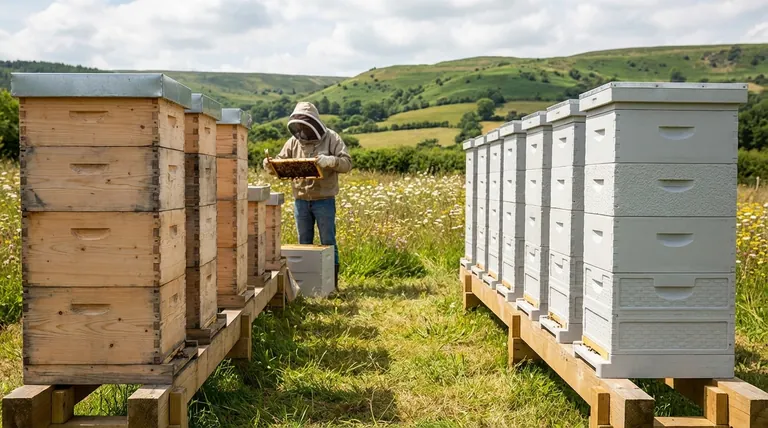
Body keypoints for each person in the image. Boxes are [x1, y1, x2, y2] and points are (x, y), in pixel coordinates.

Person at [263, 102, 352, 291]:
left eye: (306, 126)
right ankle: (308, 286)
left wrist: (331, 161)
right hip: (301, 201)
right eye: (300, 126)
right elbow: (280, 163)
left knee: (328, 241)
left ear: (315, 122)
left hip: (324, 200)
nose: (302, 131)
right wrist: (270, 165)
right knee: (304, 244)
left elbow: (347, 164)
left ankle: (331, 285)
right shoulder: (294, 142)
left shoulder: (332, 138)